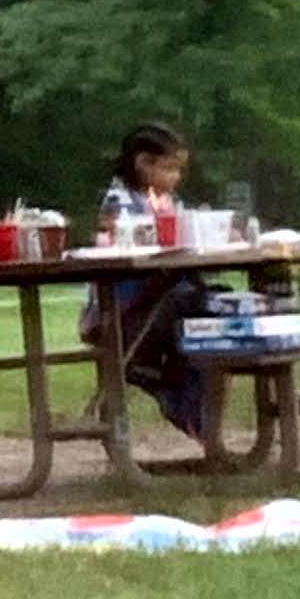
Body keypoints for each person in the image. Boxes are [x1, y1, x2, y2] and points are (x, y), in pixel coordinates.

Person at [85, 119, 209, 440]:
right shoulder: (120, 203)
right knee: (199, 310)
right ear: (143, 163)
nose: (176, 178)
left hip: (162, 297)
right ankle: (185, 406)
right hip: (126, 307)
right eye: (169, 169)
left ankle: (190, 404)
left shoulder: (165, 201)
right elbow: (117, 238)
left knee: (212, 308)